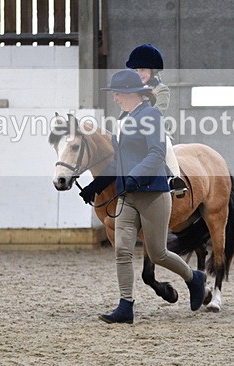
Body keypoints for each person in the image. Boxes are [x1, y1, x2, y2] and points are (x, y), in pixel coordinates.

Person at [78, 69, 206, 324]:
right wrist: (96, 185)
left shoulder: (151, 116)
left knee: (158, 253)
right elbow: (118, 161)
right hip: (128, 196)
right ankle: (126, 306)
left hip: (153, 194)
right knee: (122, 251)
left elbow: (156, 153)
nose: (114, 98)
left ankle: (194, 278)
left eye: (117, 93)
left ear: (130, 93)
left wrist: (135, 176)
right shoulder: (124, 120)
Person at [125, 44, 187, 196]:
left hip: (154, 129)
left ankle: (175, 179)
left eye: (142, 70)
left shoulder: (161, 89)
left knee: (167, 145)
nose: (139, 74)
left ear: (153, 71)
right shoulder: (130, 90)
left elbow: (158, 110)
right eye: (135, 71)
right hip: (131, 129)